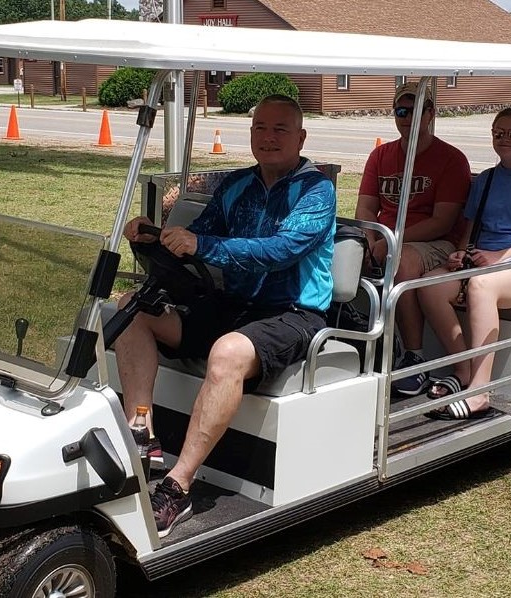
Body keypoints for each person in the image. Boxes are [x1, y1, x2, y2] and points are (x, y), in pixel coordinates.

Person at [115, 94, 336, 537]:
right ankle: (142, 434)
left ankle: (178, 487)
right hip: (233, 305)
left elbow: (281, 251)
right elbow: (201, 236)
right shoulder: (237, 184)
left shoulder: (316, 191)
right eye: (260, 128)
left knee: (227, 352)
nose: (268, 138)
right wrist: (156, 237)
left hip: (293, 312)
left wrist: (204, 246)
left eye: (280, 129)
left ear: (301, 137)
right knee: (130, 308)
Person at [417, 108, 511, 419]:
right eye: (498, 133)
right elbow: (472, 231)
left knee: (481, 285)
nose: (505, 139)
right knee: (430, 287)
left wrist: (503, 256)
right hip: (488, 260)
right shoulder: (486, 179)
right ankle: (462, 370)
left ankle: (480, 391)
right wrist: (462, 253)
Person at [356, 81, 471, 396]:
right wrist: (367, 241)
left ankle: (414, 357)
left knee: (401, 260)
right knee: (341, 253)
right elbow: (366, 207)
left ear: (431, 114)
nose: (407, 118)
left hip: (436, 243)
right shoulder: (380, 156)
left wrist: (389, 242)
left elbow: (442, 221)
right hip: (385, 239)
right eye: (401, 111)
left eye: (416, 110)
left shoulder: (451, 159)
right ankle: (352, 341)